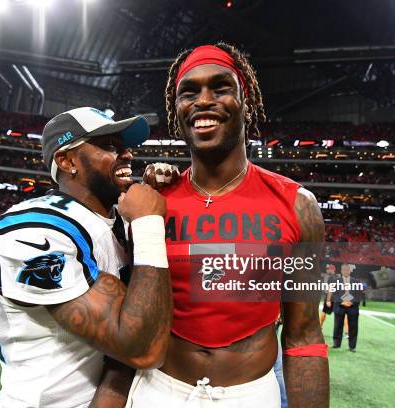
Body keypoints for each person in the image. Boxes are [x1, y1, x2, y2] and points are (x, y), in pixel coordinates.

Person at [99, 43, 329, 407]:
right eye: (189, 92)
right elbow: (128, 322)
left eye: (220, 88)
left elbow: (303, 337)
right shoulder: (151, 203)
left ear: (246, 102)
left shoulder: (298, 206)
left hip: (251, 395)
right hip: (158, 389)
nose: (204, 100)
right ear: (176, 112)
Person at [0, 107, 173, 408]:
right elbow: (143, 349)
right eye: (110, 146)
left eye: (124, 147)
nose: (127, 156)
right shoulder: (36, 227)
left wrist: (171, 192)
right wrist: (148, 225)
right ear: (68, 161)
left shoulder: (120, 218)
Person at [326, 263, 364, 352]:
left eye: (347, 270)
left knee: (353, 326)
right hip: (339, 305)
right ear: (341, 271)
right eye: (344, 270)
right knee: (337, 325)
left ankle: (352, 346)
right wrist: (330, 300)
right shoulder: (336, 281)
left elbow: (359, 294)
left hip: (352, 306)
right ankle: (336, 343)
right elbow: (332, 292)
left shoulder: (356, 281)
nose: (346, 271)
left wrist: (351, 301)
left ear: (350, 271)